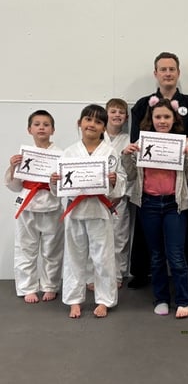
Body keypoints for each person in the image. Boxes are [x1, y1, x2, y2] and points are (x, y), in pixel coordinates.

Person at [128, 51, 188, 288]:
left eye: (172, 69)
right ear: (156, 74)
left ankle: (187, 279)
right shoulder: (143, 104)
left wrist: (177, 149)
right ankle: (142, 274)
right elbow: (136, 140)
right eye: (163, 69)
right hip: (150, 180)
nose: (168, 73)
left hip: (179, 179)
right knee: (146, 232)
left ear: (178, 73)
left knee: (181, 234)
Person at [123, 97, 188, 318]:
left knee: (176, 255)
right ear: (152, 119)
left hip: (174, 205)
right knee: (157, 256)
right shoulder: (141, 144)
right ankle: (161, 298)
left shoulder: (180, 144)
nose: (162, 121)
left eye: (166, 117)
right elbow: (130, 175)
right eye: (158, 117)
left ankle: (183, 300)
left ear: (173, 119)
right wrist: (127, 155)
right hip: (148, 203)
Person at [51, 104, 126, 318]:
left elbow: (121, 182)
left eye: (98, 121)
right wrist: (54, 181)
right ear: (80, 123)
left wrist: (114, 181)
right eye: (88, 120)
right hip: (75, 210)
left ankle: (104, 300)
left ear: (104, 127)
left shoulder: (110, 152)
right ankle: (74, 299)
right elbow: (60, 187)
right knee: (74, 256)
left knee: (103, 258)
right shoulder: (69, 152)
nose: (92, 124)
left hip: (100, 210)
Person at [5, 110, 64, 303]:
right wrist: (13, 167)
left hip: (51, 207)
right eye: (37, 124)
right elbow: (14, 186)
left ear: (53, 130)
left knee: (52, 250)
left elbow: (65, 188)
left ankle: (50, 285)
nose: (41, 127)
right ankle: (27, 287)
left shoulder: (61, 155)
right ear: (29, 129)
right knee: (25, 249)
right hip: (27, 207)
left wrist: (56, 181)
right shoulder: (23, 156)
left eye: (46, 124)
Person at [103, 98, 134, 286]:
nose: (117, 115)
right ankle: (94, 275)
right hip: (96, 195)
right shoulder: (97, 137)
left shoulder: (129, 140)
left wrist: (120, 193)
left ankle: (118, 274)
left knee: (120, 236)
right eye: (113, 111)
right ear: (106, 114)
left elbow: (131, 172)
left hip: (120, 195)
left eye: (121, 112)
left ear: (126, 117)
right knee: (96, 237)